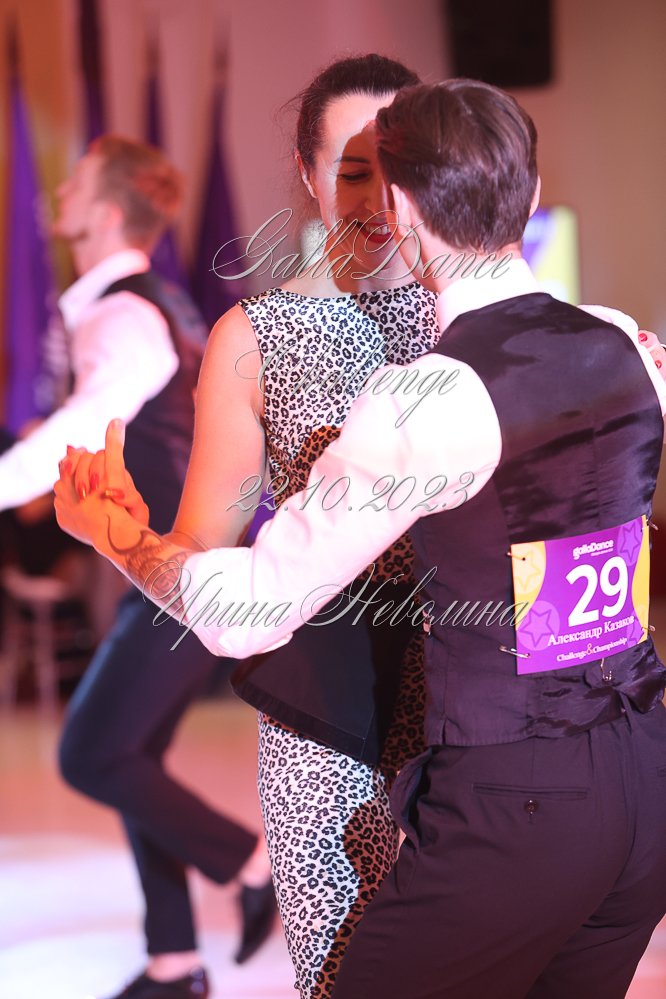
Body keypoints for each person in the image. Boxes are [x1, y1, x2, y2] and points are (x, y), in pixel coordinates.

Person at [56, 79, 666, 999]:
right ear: (533, 195)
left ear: (404, 204)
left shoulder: (427, 395)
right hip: (641, 773)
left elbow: (245, 608)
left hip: (518, 796)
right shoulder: (625, 342)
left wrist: (116, 535)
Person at [59, 55, 438, 999]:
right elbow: (202, 558)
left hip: (479, 727)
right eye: (353, 169)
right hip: (325, 734)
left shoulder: (482, 317)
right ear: (308, 174)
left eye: (401, 164)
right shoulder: (255, 338)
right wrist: (121, 535)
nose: (381, 197)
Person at [0, 136, 275, 999]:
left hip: (178, 574)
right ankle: (174, 963)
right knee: (129, 756)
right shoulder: (142, 302)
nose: (59, 194)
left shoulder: (124, 314)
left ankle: (251, 863)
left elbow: (87, 423)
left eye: (76, 183)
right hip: (164, 571)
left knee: (89, 751)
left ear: (108, 210)